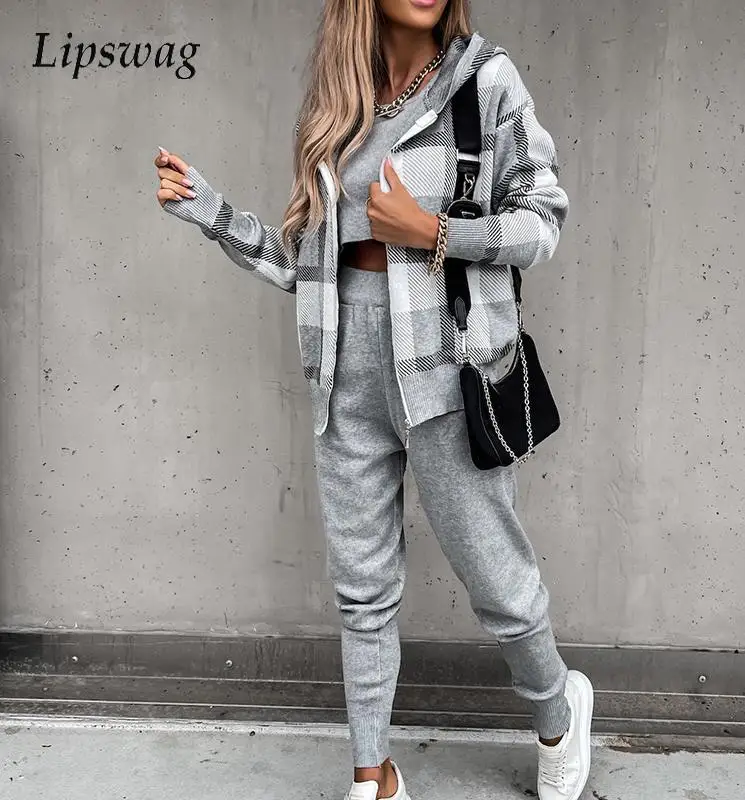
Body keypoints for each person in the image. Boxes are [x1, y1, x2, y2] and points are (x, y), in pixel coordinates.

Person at [154, 1, 593, 798]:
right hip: (343, 363)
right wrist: (209, 212)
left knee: (497, 580)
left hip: (444, 365)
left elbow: (542, 222)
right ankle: (372, 776)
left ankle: (559, 713)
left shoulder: (484, 81)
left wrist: (433, 232)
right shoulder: (338, 103)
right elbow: (302, 263)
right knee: (362, 588)